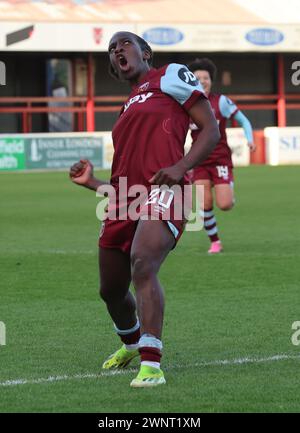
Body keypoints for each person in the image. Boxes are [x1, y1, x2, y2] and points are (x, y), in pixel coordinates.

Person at [69, 32, 220, 388]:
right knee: (110, 289)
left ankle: (152, 365)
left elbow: (210, 130)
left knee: (142, 261)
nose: (117, 49)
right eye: (111, 48)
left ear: (145, 52)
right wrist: (93, 183)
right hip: (124, 198)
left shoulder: (169, 75)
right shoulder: (125, 107)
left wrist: (182, 167)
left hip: (168, 190)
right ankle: (132, 343)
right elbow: (126, 178)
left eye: (124, 43)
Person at [188, 58, 256, 254]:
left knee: (225, 204)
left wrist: (250, 139)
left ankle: (229, 192)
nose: (202, 80)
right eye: (197, 77)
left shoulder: (221, 102)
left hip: (220, 159)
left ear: (211, 80)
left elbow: (243, 120)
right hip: (199, 160)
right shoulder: (186, 104)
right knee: (205, 204)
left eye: (205, 77)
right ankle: (215, 242)